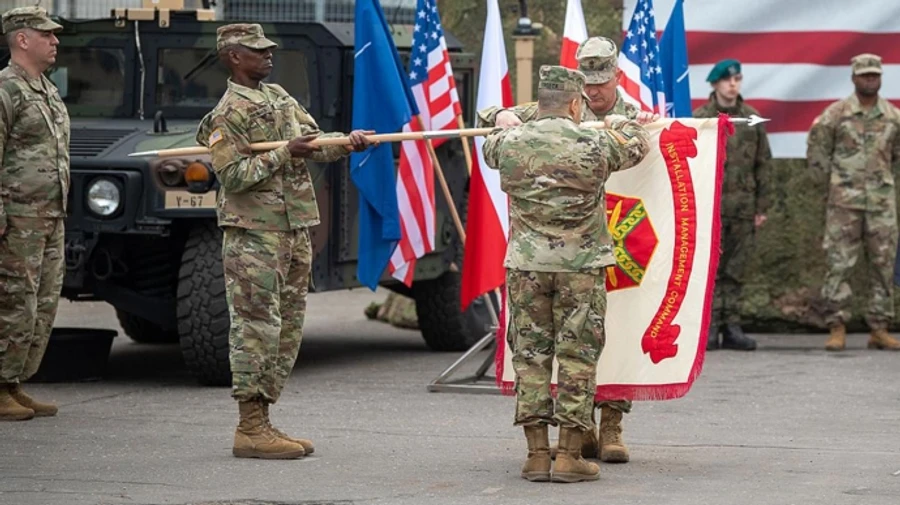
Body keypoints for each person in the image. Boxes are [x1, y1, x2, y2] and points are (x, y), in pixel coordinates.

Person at [196, 23, 374, 459]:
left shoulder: (279, 97)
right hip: (254, 232)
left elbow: (313, 145)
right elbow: (233, 176)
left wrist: (346, 144)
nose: (269, 55)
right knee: (256, 328)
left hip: (294, 228)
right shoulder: (227, 113)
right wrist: (282, 153)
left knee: (287, 328)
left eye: (269, 49)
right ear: (234, 56)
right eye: (258, 51)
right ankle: (249, 426)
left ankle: (265, 419)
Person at [482, 64, 652, 483]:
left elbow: (491, 140)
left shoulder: (508, 142)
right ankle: (570, 456)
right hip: (580, 268)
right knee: (577, 357)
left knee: (531, 357)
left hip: (526, 267)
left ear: (540, 105)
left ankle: (537, 455)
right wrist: (620, 121)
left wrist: (503, 119)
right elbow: (636, 144)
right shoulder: (594, 140)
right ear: (577, 104)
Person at [0, 6, 68, 421]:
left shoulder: (45, 88)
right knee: (13, 301)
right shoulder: (6, 89)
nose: (55, 41)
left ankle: (14, 382)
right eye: (47, 34)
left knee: (41, 303)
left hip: (50, 216)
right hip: (18, 218)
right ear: (22, 39)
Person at [807, 53, 900, 352]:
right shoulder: (836, 114)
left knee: (883, 265)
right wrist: (828, 189)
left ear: (881, 77)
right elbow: (818, 154)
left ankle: (879, 327)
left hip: (881, 203)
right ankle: (836, 325)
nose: (870, 79)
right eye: (865, 74)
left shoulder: (893, 117)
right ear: (854, 77)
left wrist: (886, 183)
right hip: (843, 202)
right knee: (838, 263)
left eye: (875, 74)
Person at [692, 58, 771, 352]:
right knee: (710, 268)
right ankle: (709, 327)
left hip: (742, 207)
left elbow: (763, 164)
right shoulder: (701, 120)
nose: (733, 84)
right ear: (715, 84)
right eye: (727, 80)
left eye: (737, 79)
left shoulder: (751, 120)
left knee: (736, 269)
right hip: (709, 208)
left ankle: (732, 326)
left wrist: (761, 207)